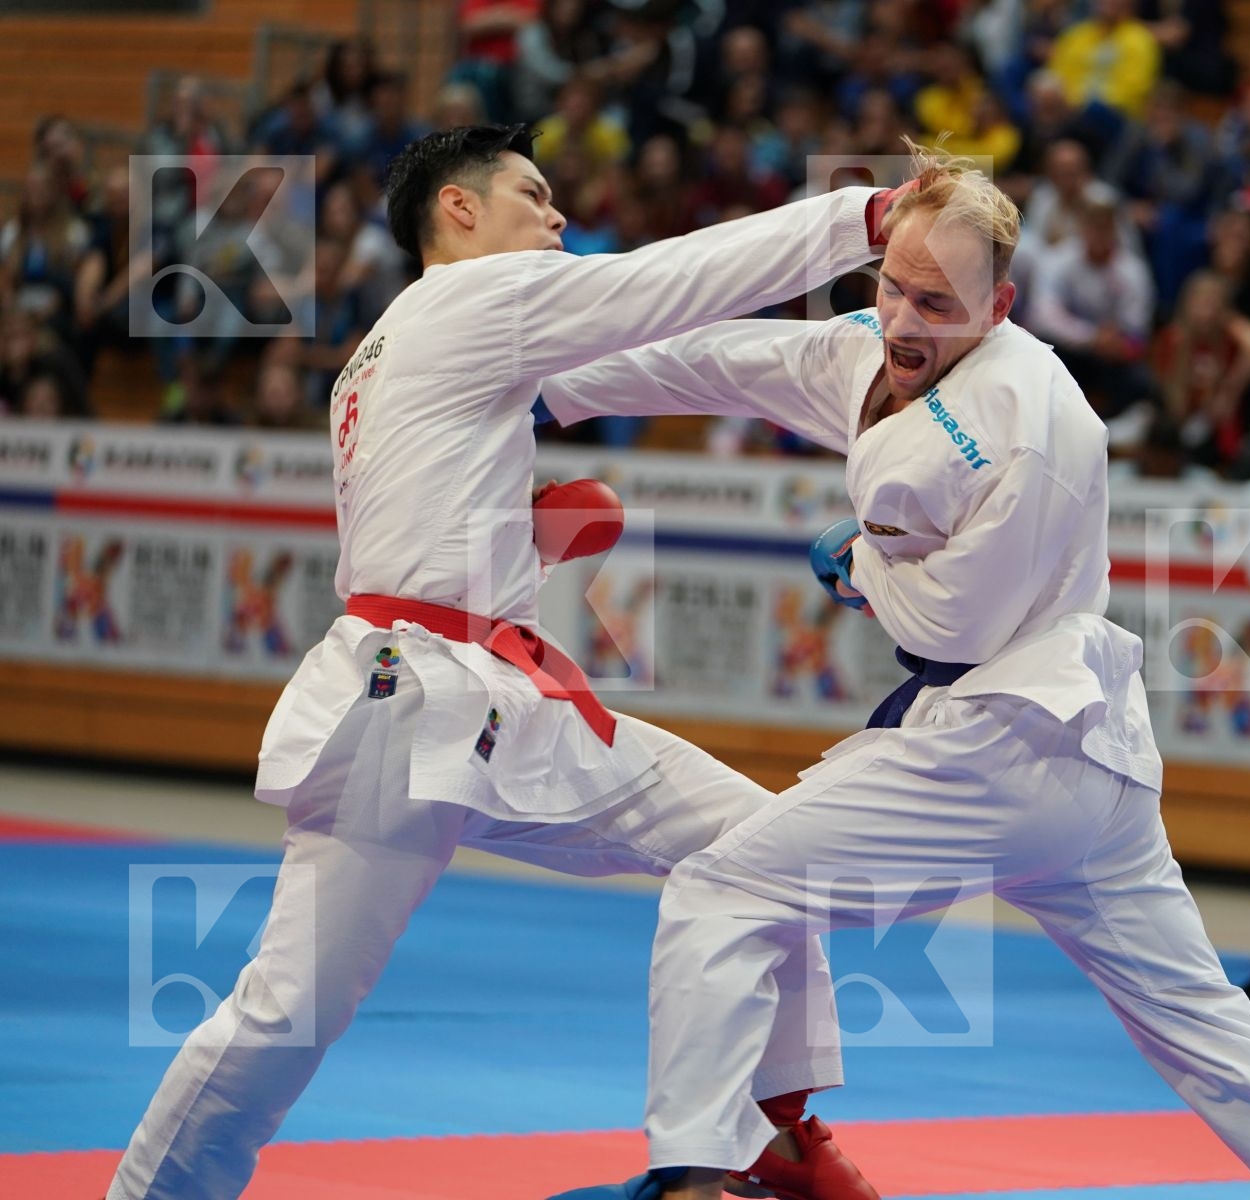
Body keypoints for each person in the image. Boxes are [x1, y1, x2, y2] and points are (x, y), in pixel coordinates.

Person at [541, 146, 1250, 1200]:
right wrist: (552, 384)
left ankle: (695, 1178)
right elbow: (721, 362)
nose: (902, 320)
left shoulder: (1024, 426)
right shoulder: (873, 349)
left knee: (724, 888)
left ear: (1001, 305)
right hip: (1081, 765)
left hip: (1004, 739)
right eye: (890, 285)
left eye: (936, 302)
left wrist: (864, 564)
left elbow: (955, 618)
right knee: (1212, 1039)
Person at [105, 123, 908, 1200]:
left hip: (505, 697)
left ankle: (767, 1136)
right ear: (460, 210)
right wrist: (863, 218)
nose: (558, 215)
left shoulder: (386, 350)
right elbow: (671, 282)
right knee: (287, 1013)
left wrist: (525, 528)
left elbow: (425, 517)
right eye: (533, 194)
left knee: (760, 848)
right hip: (411, 702)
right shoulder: (469, 300)